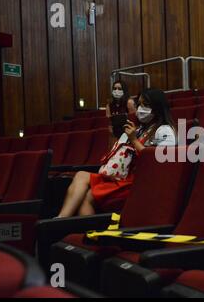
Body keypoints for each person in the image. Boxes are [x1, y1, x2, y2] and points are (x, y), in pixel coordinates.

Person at [57, 89, 177, 218]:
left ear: (157, 107)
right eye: (140, 105)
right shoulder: (141, 128)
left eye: (145, 105)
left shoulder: (165, 131)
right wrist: (118, 136)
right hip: (126, 176)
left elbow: (158, 162)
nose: (141, 109)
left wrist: (134, 140)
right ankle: (60, 219)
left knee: (89, 196)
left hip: (141, 182)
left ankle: (72, 226)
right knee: (81, 175)